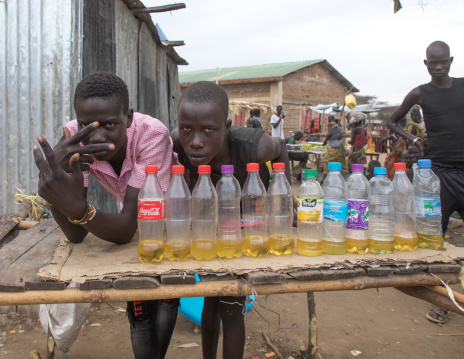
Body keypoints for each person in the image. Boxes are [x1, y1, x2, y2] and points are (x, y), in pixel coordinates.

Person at [33, 72, 178, 359]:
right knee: (139, 304)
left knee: (165, 293)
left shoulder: (152, 135)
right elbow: (76, 233)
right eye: (87, 125)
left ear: (128, 117)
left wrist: (76, 209)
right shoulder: (74, 136)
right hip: (136, 214)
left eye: (110, 125)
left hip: (171, 216)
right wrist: (51, 183)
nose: (96, 137)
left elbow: (124, 228)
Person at [387, 40, 464, 323]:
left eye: (443, 62)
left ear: (451, 61)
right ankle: (445, 302)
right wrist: (414, 139)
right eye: (433, 63)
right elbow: (394, 121)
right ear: (426, 64)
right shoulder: (420, 93)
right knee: (434, 244)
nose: (438, 67)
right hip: (436, 178)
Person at [171, 81, 290, 359]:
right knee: (211, 297)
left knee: (230, 303)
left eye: (209, 130)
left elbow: (281, 146)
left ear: (226, 127)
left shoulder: (254, 147)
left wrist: (287, 203)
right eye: (187, 128)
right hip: (208, 228)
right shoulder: (177, 142)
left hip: (247, 226)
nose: (196, 141)